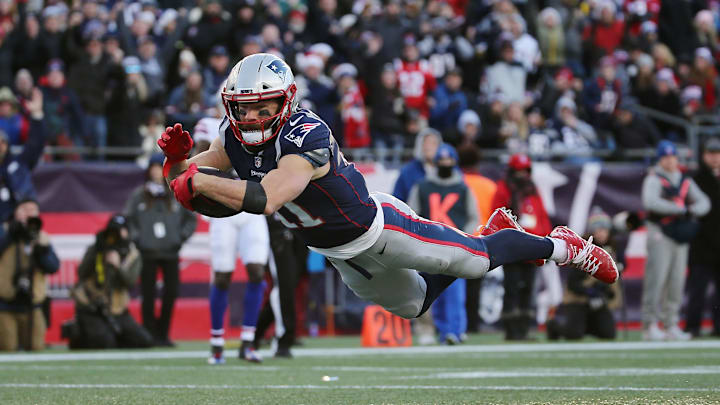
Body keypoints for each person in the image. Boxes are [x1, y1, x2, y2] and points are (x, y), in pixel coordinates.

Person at [158, 53, 619, 326]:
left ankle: (564, 247)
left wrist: (195, 178)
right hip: (344, 255)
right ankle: (494, 230)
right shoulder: (230, 134)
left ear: (287, 100)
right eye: (245, 109)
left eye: (263, 107)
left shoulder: (305, 136)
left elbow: (265, 199)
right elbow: (182, 182)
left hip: (380, 229)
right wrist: (176, 160)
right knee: (414, 305)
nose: (253, 119)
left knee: (477, 263)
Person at [192, 118, 268, 364]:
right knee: (223, 274)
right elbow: (198, 159)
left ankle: (248, 341)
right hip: (224, 204)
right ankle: (216, 344)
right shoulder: (213, 125)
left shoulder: (263, 122)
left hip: (252, 204)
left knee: (257, 270)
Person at [408, 144, 478, 344]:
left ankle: (455, 330)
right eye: (442, 161)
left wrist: (466, 237)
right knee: (432, 289)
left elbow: (474, 216)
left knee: (456, 291)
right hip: (430, 245)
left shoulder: (463, 188)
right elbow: (412, 214)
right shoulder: (422, 186)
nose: (446, 164)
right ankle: (442, 330)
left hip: (456, 246)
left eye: (449, 161)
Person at [124, 155, 197, 346]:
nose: (156, 171)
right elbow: (128, 219)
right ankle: (148, 334)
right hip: (147, 252)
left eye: (159, 167)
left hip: (170, 252)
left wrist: (180, 237)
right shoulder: (139, 194)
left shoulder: (175, 191)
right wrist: (137, 238)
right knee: (147, 295)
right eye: (153, 167)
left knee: (170, 293)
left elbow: (191, 217)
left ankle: (163, 334)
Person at [641, 141, 710, 341]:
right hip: (660, 232)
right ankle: (650, 324)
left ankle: (671, 323)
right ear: (660, 159)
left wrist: (691, 210)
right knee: (657, 279)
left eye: (673, 157)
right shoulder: (654, 178)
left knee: (676, 281)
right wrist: (679, 209)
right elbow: (650, 202)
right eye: (666, 157)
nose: (670, 161)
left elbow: (704, 202)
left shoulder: (683, 179)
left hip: (679, 234)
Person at [67, 215, 154, 349]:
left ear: (127, 232)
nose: (116, 236)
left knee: (144, 341)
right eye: (112, 231)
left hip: (117, 310)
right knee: (106, 343)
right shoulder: (96, 249)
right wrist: (97, 251)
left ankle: (110, 335)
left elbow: (130, 283)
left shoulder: (132, 254)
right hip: (92, 308)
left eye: (120, 231)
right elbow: (81, 273)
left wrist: (118, 266)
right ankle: (81, 336)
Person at [491, 153, 552, 340]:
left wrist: (546, 243)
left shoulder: (532, 189)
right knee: (512, 287)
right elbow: (497, 216)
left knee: (527, 289)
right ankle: (511, 330)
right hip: (513, 246)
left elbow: (541, 216)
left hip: (532, 246)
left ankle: (524, 330)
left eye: (525, 171)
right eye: (519, 171)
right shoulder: (503, 189)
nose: (522, 174)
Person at [546, 208, 621, 341]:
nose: (602, 233)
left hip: (598, 300)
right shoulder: (584, 250)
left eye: (604, 230)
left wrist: (604, 291)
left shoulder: (612, 249)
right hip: (578, 299)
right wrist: (590, 292)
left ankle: (585, 326)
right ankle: (555, 326)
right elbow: (573, 283)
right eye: (597, 230)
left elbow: (619, 269)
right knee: (573, 334)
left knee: (608, 333)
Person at [0, 200, 59, 351]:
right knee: (7, 347)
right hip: (5, 304)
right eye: (24, 209)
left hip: (32, 305)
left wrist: (41, 252)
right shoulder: (4, 231)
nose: (29, 213)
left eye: (33, 210)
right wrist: (10, 237)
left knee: (36, 347)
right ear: (16, 212)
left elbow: (53, 267)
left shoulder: (42, 237)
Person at [686, 137, 720, 338]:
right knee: (697, 288)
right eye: (710, 154)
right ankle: (693, 326)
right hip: (702, 243)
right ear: (703, 155)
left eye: (717, 154)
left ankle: (718, 326)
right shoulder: (696, 179)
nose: (714, 158)